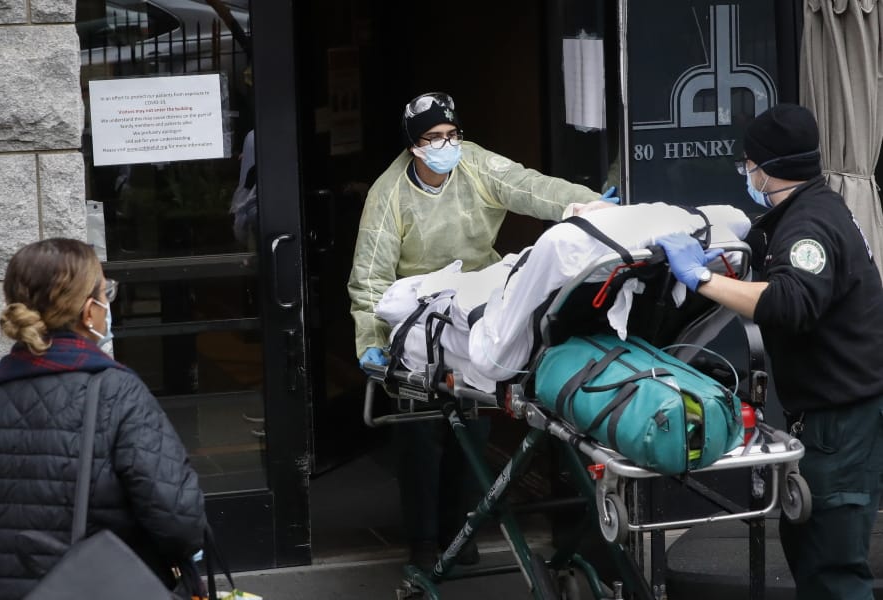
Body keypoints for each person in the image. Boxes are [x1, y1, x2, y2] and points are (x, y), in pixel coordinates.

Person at [347, 91, 613, 569]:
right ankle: (425, 544)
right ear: (414, 146)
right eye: (434, 139)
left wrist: (586, 204)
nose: (447, 146)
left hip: (473, 303)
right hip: (418, 317)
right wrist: (371, 341)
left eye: (452, 135)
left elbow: (530, 187)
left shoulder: (473, 165)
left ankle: (462, 530)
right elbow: (370, 277)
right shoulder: (388, 196)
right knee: (423, 437)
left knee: (472, 425)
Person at [655, 103, 883, 600]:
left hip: (840, 422)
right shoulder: (814, 207)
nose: (746, 173)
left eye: (748, 164)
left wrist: (703, 278)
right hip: (830, 415)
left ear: (767, 168)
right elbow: (783, 256)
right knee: (806, 545)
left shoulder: (809, 227)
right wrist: (746, 251)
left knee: (833, 569)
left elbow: (790, 302)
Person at [0, 238, 207, 599]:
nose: (108, 305)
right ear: (89, 312)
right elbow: (180, 523)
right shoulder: (118, 393)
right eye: (107, 293)